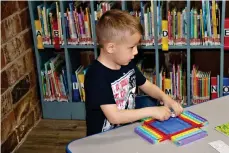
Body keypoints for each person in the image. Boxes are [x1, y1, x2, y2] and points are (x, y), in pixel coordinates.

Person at [84, 9, 183, 136]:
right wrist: (152, 111)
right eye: (131, 47)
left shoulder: (126, 63)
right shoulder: (96, 76)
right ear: (111, 48)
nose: (135, 52)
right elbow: (114, 117)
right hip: (102, 140)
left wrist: (165, 98)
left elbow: (147, 85)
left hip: (125, 132)